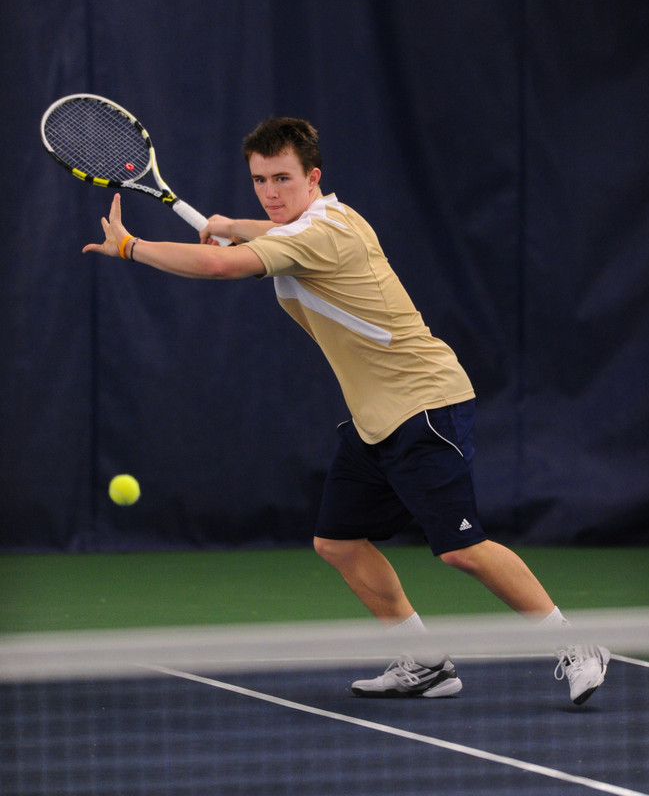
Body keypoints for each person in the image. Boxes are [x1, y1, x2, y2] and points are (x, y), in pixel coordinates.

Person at [84, 116, 609, 704]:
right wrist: (231, 224)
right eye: (258, 180)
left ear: (313, 177)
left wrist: (131, 247)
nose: (270, 192)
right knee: (337, 541)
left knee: (462, 548)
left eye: (282, 178)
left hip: (424, 404)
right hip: (375, 418)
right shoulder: (325, 218)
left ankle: (579, 642)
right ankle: (428, 664)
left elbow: (220, 265)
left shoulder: (317, 235)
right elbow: (268, 232)